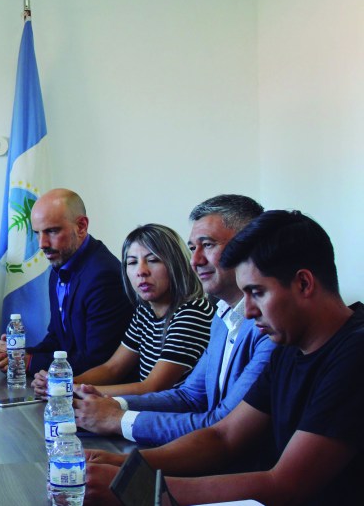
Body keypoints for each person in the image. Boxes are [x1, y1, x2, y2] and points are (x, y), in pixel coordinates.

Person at [85, 211, 364, 506]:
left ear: (304, 284)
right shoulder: (288, 346)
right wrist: (124, 465)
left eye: (257, 293)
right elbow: (223, 436)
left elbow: (285, 484)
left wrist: (139, 490)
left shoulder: (354, 353)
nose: (249, 311)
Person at [71, 195, 275, 446]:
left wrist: (117, 418)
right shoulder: (222, 316)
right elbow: (189, 396)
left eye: (208, 245)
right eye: (193, 249)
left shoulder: (268, 327)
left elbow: (221, 426)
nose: (196, 261)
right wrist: (111, 404)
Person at [33, 224, 214, 397]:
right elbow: (112, 369)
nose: (141, 271)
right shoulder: (145, 312)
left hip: (175, 415)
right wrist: (61, 383)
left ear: (177, 265)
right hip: (151, 410)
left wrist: (69, 389)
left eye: (152, 260)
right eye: (132, 262)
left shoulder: (191, 313)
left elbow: (153, 387)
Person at [0, 188, 133, 375]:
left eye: (51, 231)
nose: (42, 244)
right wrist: (17, 354)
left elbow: (98, 360)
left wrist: (29, 362)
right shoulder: (61, 265)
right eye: (37, 233)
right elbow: (58, 340)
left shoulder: (104, 276)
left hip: (100, 387)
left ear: (81, 226)